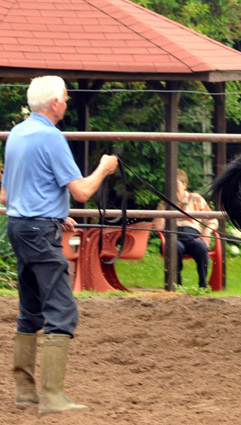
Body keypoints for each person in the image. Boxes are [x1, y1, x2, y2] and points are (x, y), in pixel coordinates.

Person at [0, 76, 118, 415]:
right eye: (65, 98)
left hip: (21, 227)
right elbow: (81, 191)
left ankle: (25, 392)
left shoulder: (18, 133)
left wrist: (55, 214)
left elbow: (8, 194)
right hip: (39, 232)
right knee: (62, 311)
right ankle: (52, 397)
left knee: (30, 310)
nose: (66, 102)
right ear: (54, 103)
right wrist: (103, 168)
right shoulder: (51, 138)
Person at [152, 169, 218, 289]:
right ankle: (177, 286)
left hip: (193, 236)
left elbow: (213, 220)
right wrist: (165, 208)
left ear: (184, 185)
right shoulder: (164, 203)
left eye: (175, 185)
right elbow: (157, 228)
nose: (172, 188)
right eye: (169, 185)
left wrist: (207, 231)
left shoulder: (195, 199)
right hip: (174, 237)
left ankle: (202, 286)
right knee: (175, 247)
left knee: (202, 247)